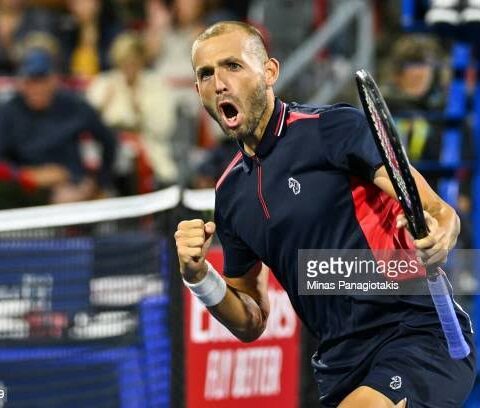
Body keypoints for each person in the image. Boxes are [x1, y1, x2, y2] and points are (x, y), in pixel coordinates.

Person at [174, 21, 476, 407]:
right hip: (339, 367)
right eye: (205, 73)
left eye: (233, 66)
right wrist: (199, 277)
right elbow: (251, 321)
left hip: (416, 334)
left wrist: (439, 233)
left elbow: (436, 209)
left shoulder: (331, 129)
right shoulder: (230, 194)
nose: (219, 82)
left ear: (269, 72)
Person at [0, 34, 117, 206]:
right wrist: (28, 177)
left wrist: (96, 183)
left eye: (41, 80)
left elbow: (109, 141)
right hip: (25, 196)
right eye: (29, 80)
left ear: (53, 80)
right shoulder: (8, 112)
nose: (35, 87)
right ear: (20, 82)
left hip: (75, 191)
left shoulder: (73, 106)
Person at [86, 31, 178, 188]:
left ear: (141, 60)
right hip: (106, 147)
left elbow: (164, 128)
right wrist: (102, 107)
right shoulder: (104, 83)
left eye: (133, 61)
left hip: (147, 148)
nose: (128, 67)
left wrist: (139, 109)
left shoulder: (155, 84)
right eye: (123, 62)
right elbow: (86, 123)